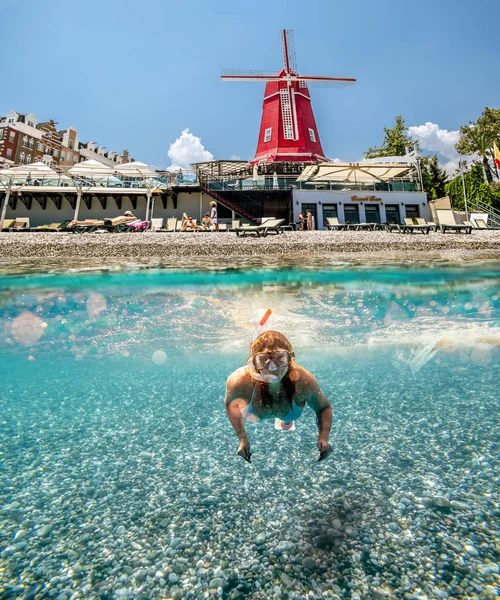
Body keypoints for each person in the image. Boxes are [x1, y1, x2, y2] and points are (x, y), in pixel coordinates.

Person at [225, 330, 332, 463]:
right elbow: (231, 407)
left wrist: (324, 436)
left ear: (290, 359)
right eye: (264, 359)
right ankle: (287, 420)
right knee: (288, 416)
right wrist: (242, 439)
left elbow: (323, 408)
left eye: (280, 358)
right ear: (253, 361)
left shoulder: (303, 380)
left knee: (287, 419)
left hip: (285, 411)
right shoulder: (239, 382)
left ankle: (286, 421)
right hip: (279, 409)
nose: (272, 367)